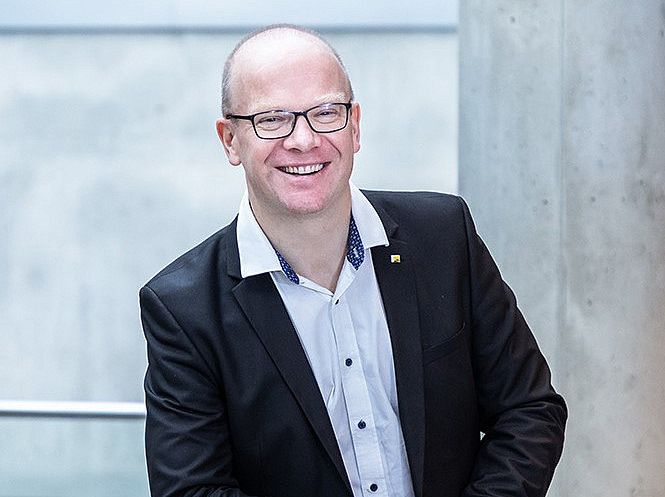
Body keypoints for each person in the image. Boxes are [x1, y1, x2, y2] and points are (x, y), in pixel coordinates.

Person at [139, 25, 567, 497]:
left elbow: (529, 410)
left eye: (326, 112)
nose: (303, 140)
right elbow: (192, 490)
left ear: (355, 125)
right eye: (273, 119)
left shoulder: (445, 237)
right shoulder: (183, 309)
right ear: (230, 141)